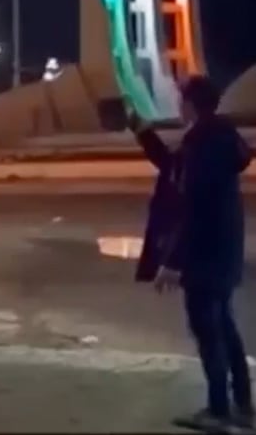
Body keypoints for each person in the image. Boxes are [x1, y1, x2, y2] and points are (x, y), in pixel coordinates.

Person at [132, 75, 254, 432]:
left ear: (191, 104)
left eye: (181, 100)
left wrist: (173, 262)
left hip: (206, 255)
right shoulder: (215, 137)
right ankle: (242, 404)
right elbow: (174, 168)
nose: (178, 105)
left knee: (209, 332)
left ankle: (219, 410)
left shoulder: (205, 144)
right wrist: (143, 133)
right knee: (225, 326)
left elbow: (195, 207)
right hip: (222, 251)